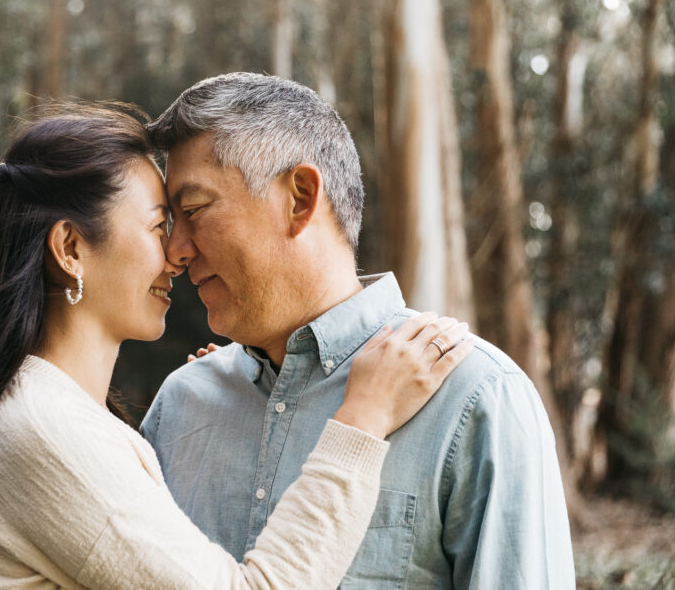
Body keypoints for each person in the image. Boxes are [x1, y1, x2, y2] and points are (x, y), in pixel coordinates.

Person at [0, 105, 473, 589]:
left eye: (188, 218)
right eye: (160, 226)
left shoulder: (65, 417)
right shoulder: (44, 428)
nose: (178, 254)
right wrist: (362, 422)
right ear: (70, 248)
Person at [141, 72, 576, 588]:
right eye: (171, 222)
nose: (176, 249)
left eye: (193, 210)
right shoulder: (180, 406)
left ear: (300, 198)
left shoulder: (478, 398)